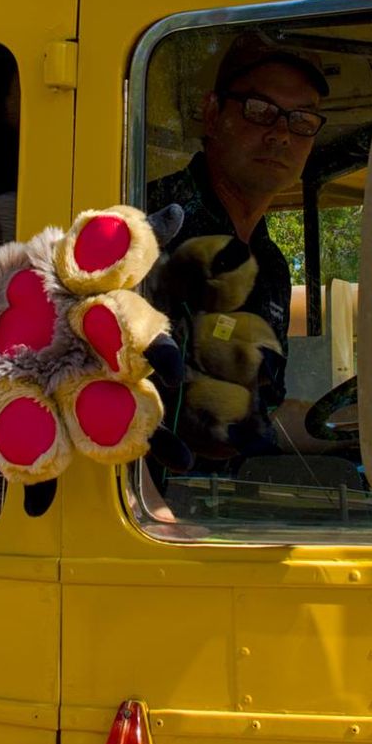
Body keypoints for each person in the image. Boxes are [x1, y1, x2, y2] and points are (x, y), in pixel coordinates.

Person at [146, 31, 328, 460]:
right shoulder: (150, 223)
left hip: (226, 506)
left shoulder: (271, 266)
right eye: (261, 110)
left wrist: (364, 429)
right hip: (137, 504)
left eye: (301, 119)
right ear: (212, 114)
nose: (282, 134)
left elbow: (262, 410)